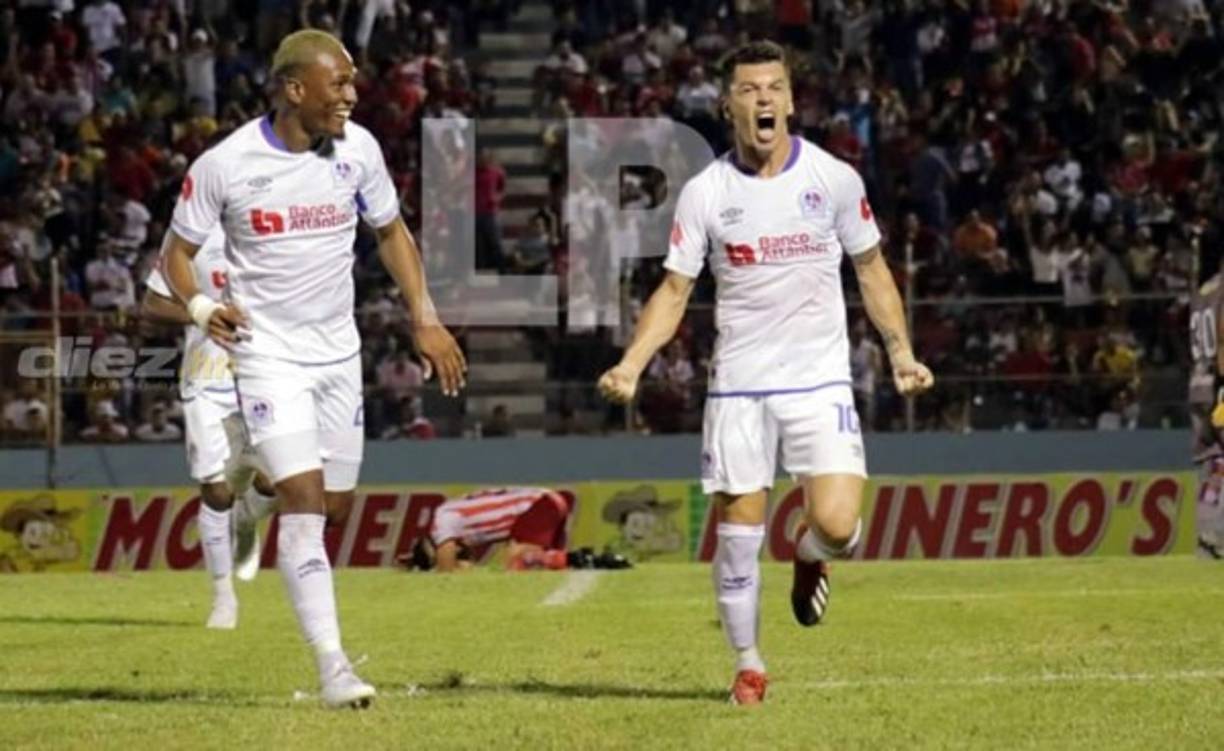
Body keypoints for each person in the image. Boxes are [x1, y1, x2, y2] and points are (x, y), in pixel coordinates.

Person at [597, 41, 934, 705]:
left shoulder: (833, 179)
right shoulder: (706, 194)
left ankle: (809, 556)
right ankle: (749, 665)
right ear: (728, 105)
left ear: (789, 99)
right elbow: (672, 291)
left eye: (773, 87)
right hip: (740, 387)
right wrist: (632, 363)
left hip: (820, 379)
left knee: (838, 525)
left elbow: (871, 270)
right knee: (739, 542)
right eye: (749, 89)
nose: (763, 99)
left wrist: (900, 351)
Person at [160, 30, 467, 709]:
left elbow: (391, 232)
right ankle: (333, 667)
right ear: (295, 88)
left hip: (338, 352)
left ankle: (255, 492)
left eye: (354, 83)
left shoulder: (359, 150)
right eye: (340, 85)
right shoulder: (227, 163)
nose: (353, 96)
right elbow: (173, 256)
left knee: (333, 503)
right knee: (306, 503)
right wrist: (204, 304)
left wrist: (424, 314)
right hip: (267, 355)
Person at [142, 226, 278, 630]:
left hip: (267, 375)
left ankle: (248, 517)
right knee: (217, 491)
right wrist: (200, 315)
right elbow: (151, 304)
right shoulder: (189, 238)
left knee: (278, 482)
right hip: (207, 380)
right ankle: (223, 599)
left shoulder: (274, 230)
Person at [404, 487, 574, 573]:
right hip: (547, 502)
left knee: (516, 563)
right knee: (551, 565)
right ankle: (585, 560)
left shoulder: (441, 520)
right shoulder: (458, 522)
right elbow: (465, 565)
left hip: (537, 505)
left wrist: (443, 567)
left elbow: (447, 570)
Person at [1189, 255, 1224, 559]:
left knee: (1213, 464)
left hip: (1198, 383)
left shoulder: (1203, 290)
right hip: (1218, 381)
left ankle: (1207, 537)